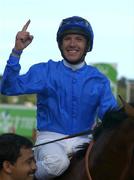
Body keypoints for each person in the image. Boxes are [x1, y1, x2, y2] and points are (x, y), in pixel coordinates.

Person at [0, 16, 118, 179]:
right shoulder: (44, 71)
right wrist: (17, 51)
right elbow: (8, 87)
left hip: (84, 140)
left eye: (79, 39)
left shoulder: (99, 80)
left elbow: (112, 117)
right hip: (50, 138)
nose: (72, 44)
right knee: (57, 163)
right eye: (67, 39)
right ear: (60, 44)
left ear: (87, 45)